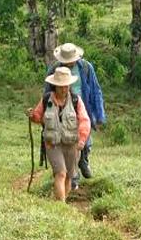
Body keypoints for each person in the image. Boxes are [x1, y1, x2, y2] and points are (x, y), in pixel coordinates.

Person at [45, 43, 106, 190]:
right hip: (62, 110)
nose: (69, 63)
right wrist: (46, 112)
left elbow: (95, 91)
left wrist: (99, 115)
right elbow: (47, 91)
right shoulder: (54, 70)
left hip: (81, 107)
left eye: (71, 61)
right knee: (68, 142)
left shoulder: (85, 68)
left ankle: (84, 160)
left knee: (85, 141)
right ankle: (73, 178)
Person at [27, 67, 91, 202]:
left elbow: (84, 120)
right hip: (53, 144)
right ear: (55, 86)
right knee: (60, 173)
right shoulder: (46, 100)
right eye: (61, 86)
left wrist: (82, 139)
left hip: (72, 144)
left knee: (69, 176)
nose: (64, 89)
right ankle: (60, 205)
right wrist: (32, 115)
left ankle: (61, 201)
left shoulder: (76, 100)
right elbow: (38, 117)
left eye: (66, 86)